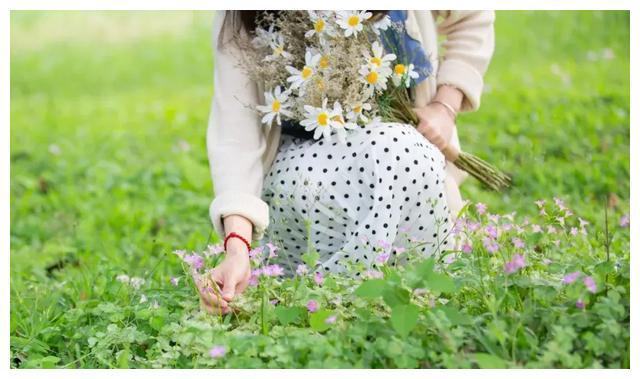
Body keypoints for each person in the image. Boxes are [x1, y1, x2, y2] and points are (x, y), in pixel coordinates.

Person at [201, 10, 495, 314]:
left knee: (401, 149)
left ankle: (410, 302)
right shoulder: (242, 13)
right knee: (384, 154)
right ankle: (333, 308)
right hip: (301, 175)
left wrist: (445, 106)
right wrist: (237, 248)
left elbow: (473, 15)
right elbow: (235, 135)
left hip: (402, 156)